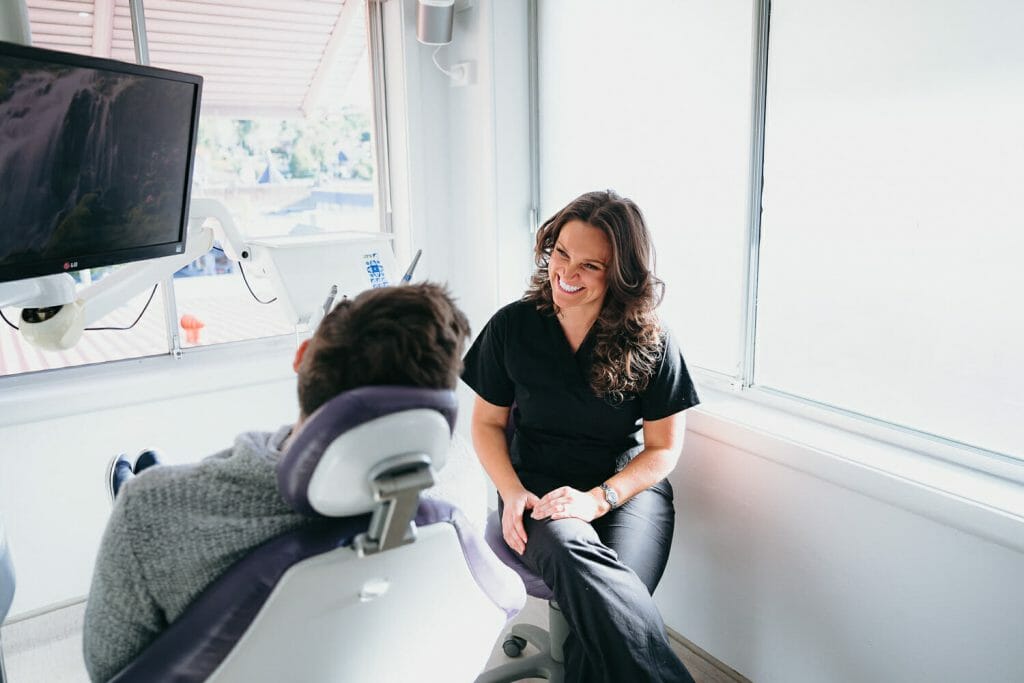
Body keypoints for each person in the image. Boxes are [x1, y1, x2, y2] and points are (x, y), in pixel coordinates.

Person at [83, 282, 471, 683]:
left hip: (168, 513)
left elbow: (108, 669)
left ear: (301, 358)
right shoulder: (446, 515)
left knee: (155, 500)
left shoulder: (147, 508)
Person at [462, 190, 700, 683]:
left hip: (626, 491)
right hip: (539, 495)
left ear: (620, 275)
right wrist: (511, 492)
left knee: (610, 600)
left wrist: (599, 499)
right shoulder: (513, 326)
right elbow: (486, 423)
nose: (566, 274)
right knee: (597, 587)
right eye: (562, 254)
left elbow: (663, 449)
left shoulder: (650, 339)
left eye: (590, 266)